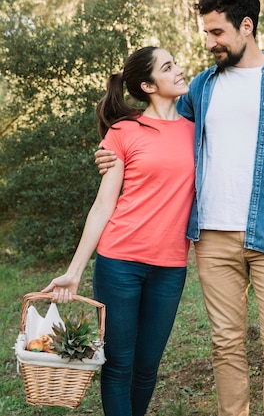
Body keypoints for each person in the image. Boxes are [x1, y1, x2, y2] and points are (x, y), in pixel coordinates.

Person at [96, 0, 264, 414]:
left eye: (217, 33)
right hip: (213, 238)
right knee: (226, 345)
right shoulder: (200, 87)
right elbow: (163, 131)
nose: (210, 42)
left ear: (246, 26)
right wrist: (113, 152)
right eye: (207, 33)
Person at [42, 46, 196, 416]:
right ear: (148, 85)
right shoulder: (125, 132)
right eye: (168, 67)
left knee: (147, 366)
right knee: (119, 363)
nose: (178, 71)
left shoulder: (196, 130)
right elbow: (103, 205)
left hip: (171, 267)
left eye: (175, 64)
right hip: (120, 262)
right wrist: (75, 271)